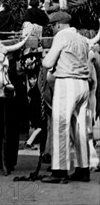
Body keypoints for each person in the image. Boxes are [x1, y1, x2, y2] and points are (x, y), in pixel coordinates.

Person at [41, 11, 90, 183]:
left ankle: (59, 172)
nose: (52, 30)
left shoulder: (62, 36)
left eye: (52, 26)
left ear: (59, 25)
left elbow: (47, 63)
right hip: (83, 85)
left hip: (66, 82)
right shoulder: (82, 39)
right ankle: (83, 170)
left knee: (60, 126)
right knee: (80, 129)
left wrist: (44, 59)